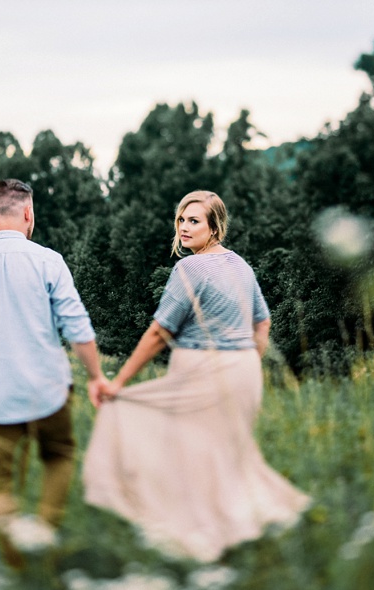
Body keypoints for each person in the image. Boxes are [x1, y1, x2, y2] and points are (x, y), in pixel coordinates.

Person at [83, 190, 310, 562]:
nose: (185, 228)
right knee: (225, 459)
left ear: (215, 226)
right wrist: (246, 360)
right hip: (243, 375)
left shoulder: (188, 269)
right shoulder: (242, 266)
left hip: (202, 373)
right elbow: (263, 322)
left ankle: (201, 543)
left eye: (194, 221)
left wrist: (118, 382)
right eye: (182, 220)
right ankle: (237, 536)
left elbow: (160, 333)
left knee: (191, 460)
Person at [0, 178, 106, 544]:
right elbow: (77, 327)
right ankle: (45, 538)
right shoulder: (49, 262)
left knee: (4, 480)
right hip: (47, 388)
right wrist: (96, 376)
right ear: (28, 213)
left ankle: (12, 559)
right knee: (58, 455)